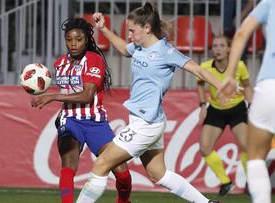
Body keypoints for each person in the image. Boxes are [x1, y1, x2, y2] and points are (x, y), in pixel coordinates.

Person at [76, 3, 221, 203]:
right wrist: (103, 29)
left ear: (147, 28)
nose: (129, 35)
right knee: (158, 174)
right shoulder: (138, 47)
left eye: (131, 30)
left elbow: (198, 70)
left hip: (146, 123)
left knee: (101, 164)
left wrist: (223, 85)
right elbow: (125, 51)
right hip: (147, 121)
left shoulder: (166, 52)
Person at [30, 17, 132, 203]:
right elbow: (68, 91)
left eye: (78, 39)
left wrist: (51, 96)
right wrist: (61, 111)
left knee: (122, 172)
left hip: (95, 123)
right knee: (68, 164)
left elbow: (86, 96)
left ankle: (124, 201)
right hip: (70, 121)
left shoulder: (94, 60)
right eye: (69, 39)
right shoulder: (59, 63)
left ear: (87, 40)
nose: (73, 44)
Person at [218, 0, 275, 202]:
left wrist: (230, 74)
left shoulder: (269, 3)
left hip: (270, 86)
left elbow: (242, 33)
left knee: (255, 159)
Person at [197, 34, 252, 196]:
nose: (218, 49)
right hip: (215, 110)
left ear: (229, 49)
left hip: (237, 109)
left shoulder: (239, 66)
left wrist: (251, 106)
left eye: (221, 45)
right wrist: (202, 105)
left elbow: (247, 86)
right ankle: (226, 182)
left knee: (247, 146)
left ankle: (252, 182)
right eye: (214, 46)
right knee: (205, 148)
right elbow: (199, 84)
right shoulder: (205, 66)